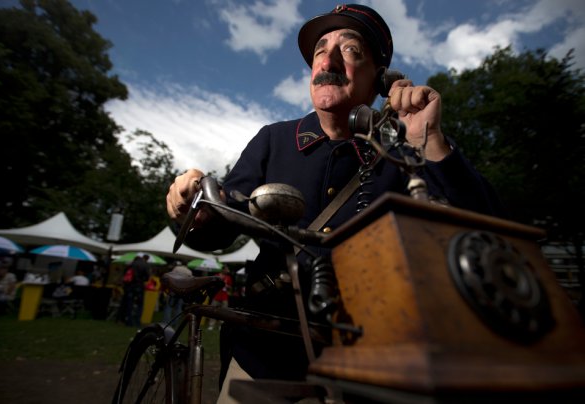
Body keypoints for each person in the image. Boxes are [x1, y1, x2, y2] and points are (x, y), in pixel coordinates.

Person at [166, 4, 506, 402]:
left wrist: (428, 139)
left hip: (368, 374)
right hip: (264, 359)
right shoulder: (273, 140)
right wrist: (193, 203)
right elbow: (222, 225)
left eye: (351, 50)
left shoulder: (401, 153)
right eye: (319, 52)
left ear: (382, 79)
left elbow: (488, 233)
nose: (327, 60)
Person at [118, 255, 150, 327]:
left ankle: (128, 321)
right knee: (140, 304)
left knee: (130, 304)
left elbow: (125, 275)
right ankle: (137, 321)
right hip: (139, 286)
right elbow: (147, 277)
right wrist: (142, 279)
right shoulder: (145, 264)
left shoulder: (131, 264)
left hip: (130, 286)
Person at [162, 262, 193, 326]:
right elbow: (190, 282)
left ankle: (166, 322)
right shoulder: (189, 272)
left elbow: (170, 276)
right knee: (178, 308)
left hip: (174, 289)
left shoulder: (177, 268)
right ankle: (175, 323)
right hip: (182, 291)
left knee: (169, 306)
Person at [207, 265, 233, 330]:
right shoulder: (217, 275)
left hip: (224, 297)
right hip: (216, 296)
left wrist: (227, 286)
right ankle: (211, 325)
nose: (228, 271)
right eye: (227, 269)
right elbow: (212, 285)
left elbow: (230, 287)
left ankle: (221, 325)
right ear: (223, 270)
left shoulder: (228, 277)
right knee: (212, 311)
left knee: (223, 312)